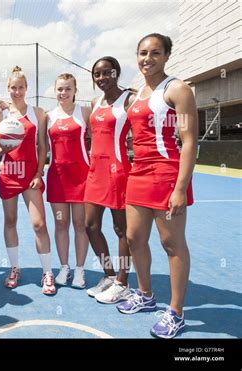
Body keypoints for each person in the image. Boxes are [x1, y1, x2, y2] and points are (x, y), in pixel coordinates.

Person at [116, 33, 198, 339]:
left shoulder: (178, 89)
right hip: (138, 174)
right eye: (142, 53)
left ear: (166, 56)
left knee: (171, 244)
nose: (147, 58)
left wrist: (180, 187)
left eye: (154, 53)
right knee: (135, 238)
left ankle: (176, 312)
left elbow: (189, 142)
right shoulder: (136, 95)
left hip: (167, 174)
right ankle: (146, 294)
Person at [0, 66, 56, 295]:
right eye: (13, 87)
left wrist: (39, 174)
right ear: (7, 88)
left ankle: (48, 272)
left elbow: (42, 146)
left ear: (26, 89)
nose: (16, 91)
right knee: (10, 221)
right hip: (8, 174)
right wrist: (4, 147)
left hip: (30, 176)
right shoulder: (1, 114)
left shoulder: (38, 113)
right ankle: (14, 268)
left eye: (20, 87)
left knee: (39, 224)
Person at [83, 57, 134, 304]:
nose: (101, 78)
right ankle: (109, 275)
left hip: (117, 170)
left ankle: (123, 282)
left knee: (121, 229)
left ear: (116, 73)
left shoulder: (130, 99)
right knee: (90, 225)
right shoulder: (95, 102)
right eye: (97, 74)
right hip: (95, 171)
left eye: (106, 73)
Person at [46, 73, 91, 289]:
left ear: (75, 90)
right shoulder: (48, 116)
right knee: (61, 223)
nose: (63, 93)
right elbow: (41, 149)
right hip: (58, 179)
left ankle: (80, 270)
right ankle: (64, 267)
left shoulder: (85, 112)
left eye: (68, 89)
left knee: (80, 225)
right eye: (60, 89)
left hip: (82, 178)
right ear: (55, 91)